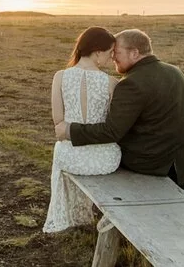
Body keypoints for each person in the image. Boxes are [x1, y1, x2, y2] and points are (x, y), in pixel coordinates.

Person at [55, 29, 184, 193]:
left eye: (117, 52)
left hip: (149, 161)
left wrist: (69, 130)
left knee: (105, 154)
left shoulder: (132, 83)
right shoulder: (176, 71)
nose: (113, 57)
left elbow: (111, 131)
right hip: (183, 157)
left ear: (135, 53)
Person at [42, 27, 121, 233]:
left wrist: (69, 129)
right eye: (109, 52)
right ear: (97, 52)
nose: (111, 57)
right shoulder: (112, 83)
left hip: (72, 158)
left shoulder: (60, 77)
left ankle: (71, 215)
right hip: (105, 160)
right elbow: (112, 126)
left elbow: (58, 125)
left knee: (60, 149)